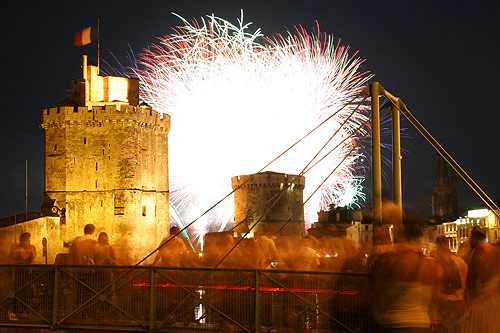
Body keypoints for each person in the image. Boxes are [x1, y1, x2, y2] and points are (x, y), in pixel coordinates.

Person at [370, 216, 442, 332]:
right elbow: (437, 299)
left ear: (401, 236)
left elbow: (377, 297)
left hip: (395, 325)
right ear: (420, 237)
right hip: (422, 325)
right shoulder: (432, 265)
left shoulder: (390, 262)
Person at [461, 225, 500, 332]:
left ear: (473, 237)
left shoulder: (478, 254)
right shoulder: (493, 251)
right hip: (495, 306)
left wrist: (471, 300)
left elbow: (470, 281)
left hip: (481, 307)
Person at [430, 235, 467, 333]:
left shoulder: (436, 263)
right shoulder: (460, 262)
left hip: (444, 305)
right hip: (459, 303)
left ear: (440, 245)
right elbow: (464, 284)